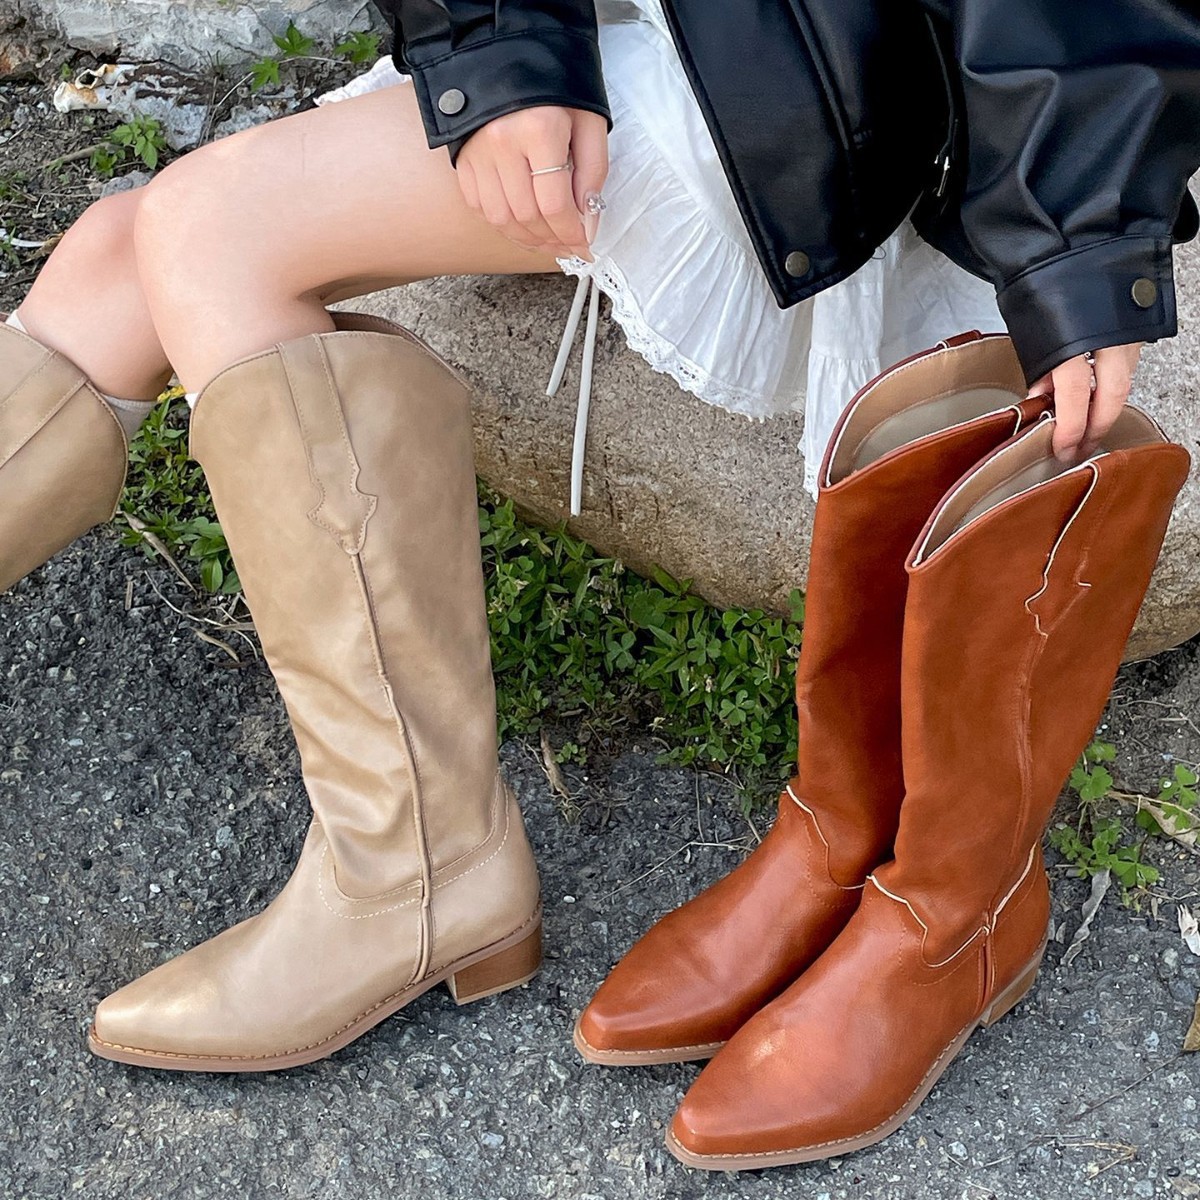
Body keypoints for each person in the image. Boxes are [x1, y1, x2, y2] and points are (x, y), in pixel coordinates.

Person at [0, 0, 1195, 1168]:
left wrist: (1081, 238)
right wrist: (505, 46)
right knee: (119, 250)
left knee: (206, 228)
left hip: (828, 63)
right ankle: (503, 864)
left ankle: (436, 870)